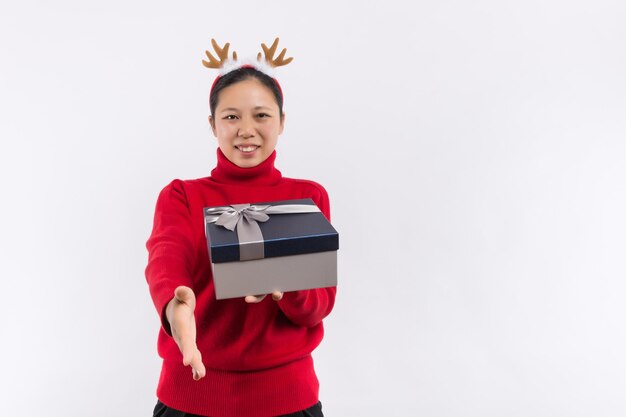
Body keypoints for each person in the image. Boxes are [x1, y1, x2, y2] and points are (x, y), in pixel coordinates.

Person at [145, 38, 335, 417]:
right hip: (192, 396)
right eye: (231, 116)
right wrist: (174, 306)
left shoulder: (307, 197)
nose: (246, 129)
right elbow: (166, 257)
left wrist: (287, 289)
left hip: (288, 400)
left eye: (261, 115)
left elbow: (318, 306)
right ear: (213, 124)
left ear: (282, 122)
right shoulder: (182, 195)